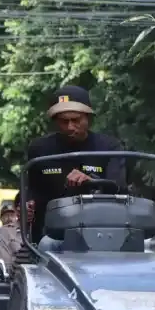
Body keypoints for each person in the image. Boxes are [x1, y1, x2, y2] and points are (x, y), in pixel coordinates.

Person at [25, 85, 126, 244]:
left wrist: (91, 180)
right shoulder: (39, 149)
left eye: (76, 120)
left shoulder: (109, 147)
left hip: (98, 233)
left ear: (88, 118)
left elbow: (119, 187)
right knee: (48, 245)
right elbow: (30, 188)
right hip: (50, 233)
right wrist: (25, 205)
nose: (70, 127)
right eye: (63, 121)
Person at [0, 198, 24, 276]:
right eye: (6, 216)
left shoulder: (23, 230)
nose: (9, 218)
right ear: (1, 218)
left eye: (12, 215)